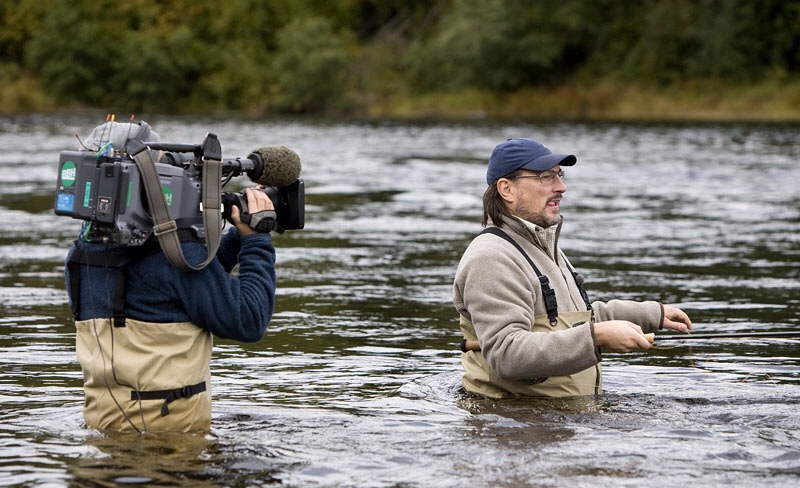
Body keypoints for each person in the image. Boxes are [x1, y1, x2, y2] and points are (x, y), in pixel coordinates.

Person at [64, 121, 277, 432]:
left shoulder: (82, 254)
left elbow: (181, 289)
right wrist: (256, 240)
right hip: (171, 437)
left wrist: (237, 236)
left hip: (104, 427)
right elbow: (249, 320)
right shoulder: (177, 257)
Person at [453, 138, 692, 399]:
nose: (561, 187)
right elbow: (507, 353)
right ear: (507, 189)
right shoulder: (491, 258)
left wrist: (648, 314)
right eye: (546, 177)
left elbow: (573, 319)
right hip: (513, 418)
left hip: (556, 415)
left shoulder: (542, 246)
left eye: (559, 175)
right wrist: (596, 337)